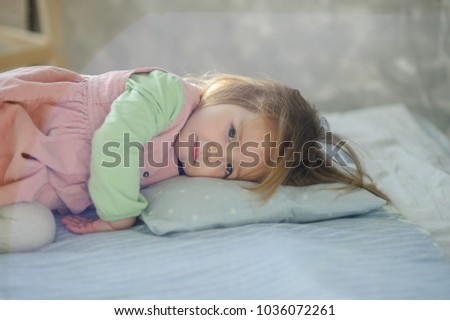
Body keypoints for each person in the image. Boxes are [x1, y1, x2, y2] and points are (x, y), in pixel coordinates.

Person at [0, 66, 389, 253]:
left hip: (30, 182)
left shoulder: (182, 172)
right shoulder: (167, 94)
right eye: (233, 133)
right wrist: (120, 213)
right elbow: (114, 140)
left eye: (231, 167)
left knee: (33, 231)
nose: (217, 153)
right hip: (20, 125)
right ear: (228, 96)